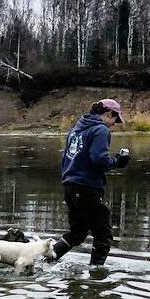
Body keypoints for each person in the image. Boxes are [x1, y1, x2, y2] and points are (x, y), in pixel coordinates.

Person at [50, 98, 131, 267]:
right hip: (87, 187)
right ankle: (96, 278)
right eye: (115, 119)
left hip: (70, 186)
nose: (114, 124)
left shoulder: (76, 128)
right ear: (109, 114)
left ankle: (46, 259)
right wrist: (118, 161)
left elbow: (66, 159)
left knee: (78, 233)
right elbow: (99, 160)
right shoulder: (100, 130)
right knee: (104, 234)